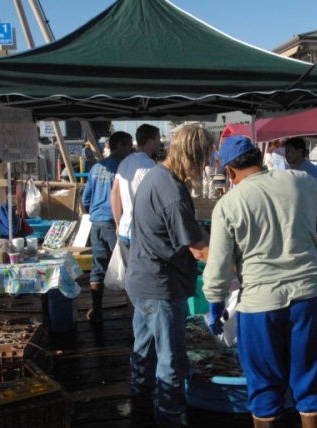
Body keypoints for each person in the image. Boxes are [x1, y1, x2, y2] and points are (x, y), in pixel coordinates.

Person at [203, 136, 317, 428]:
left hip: (260, 306)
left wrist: (214, 303)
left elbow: (219, 266)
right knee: (311, 380)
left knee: (264, 387)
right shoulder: (297, 180)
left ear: (230, 171)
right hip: (309, 296)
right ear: (259, 160)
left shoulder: (229, 203)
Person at [125, 124, 212, 427]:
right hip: (161, 286)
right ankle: (171, 416)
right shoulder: (172, 190)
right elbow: (199, 250)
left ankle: (139, 404)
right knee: (171, 361)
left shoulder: (156, 175)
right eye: (203, 159)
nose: (204, 167)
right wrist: (236, 270)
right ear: (193, 156)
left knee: (143, 351)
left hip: (140, 280)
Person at [82, 131, 134, 323]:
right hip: (114, 224)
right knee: (127, 267)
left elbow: (85, 198)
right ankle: (134, 316)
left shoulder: (96, 168)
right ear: (119, 145)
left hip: (95, 223)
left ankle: (96, 310)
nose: (131, 150)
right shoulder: (122, 168)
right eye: (128, 145)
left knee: (98, 267)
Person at [284, 136, 317, 293]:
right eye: (286, 151)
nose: (286, 154)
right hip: (298, 228)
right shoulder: (288, 171)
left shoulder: (310, 171)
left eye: (289, 151)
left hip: (315, 227)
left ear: (300, 152)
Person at [111, 124, 160, 265]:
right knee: (144, 278)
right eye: (158, 139)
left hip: (124, 229)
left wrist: (118, 223)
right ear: (150, 141)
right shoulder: (149, 166)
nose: (160, 143)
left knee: (129, 276)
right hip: (142, 232)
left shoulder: (125, 162)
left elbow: (115, 195)